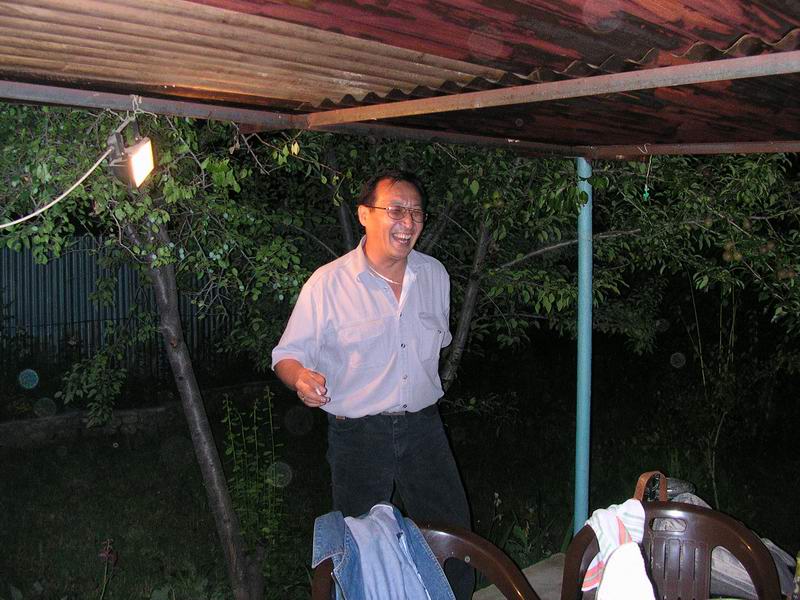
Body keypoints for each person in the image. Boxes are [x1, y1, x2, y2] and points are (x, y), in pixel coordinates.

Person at [271, 170, 473, 599]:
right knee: (360, 549)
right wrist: (301, 378)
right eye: (396, 210)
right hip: (358, 436)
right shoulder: (328, 283)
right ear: (364, 215)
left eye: (417, 212)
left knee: (453, 537)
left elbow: (434, 346)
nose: (408, 221)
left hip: (424, 428)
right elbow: (285, 355)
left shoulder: (435, 275)